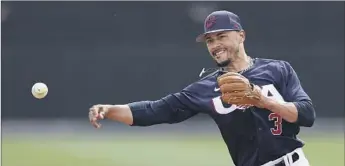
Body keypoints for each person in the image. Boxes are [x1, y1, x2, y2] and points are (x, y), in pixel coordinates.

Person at [88, 10, 316, 166]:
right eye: (209, 41)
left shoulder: (278, 70)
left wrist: (264, 101)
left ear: (241, 36)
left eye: (221, 37)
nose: (215, 45)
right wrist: (108, 110)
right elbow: (155, 110)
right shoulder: (206, 88)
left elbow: (306, 115)